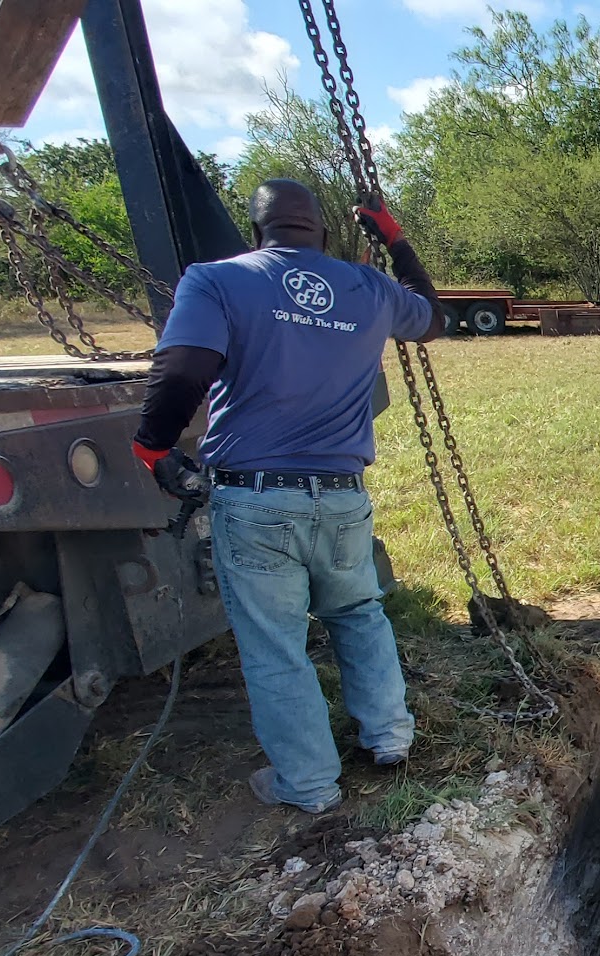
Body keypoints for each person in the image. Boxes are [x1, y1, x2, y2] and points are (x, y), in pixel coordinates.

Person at [132, 179, 441, 814]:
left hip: (257, 499)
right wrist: (395, 240)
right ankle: (389, 736)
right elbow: (434, 319)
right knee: (359, 613)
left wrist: (153, 447)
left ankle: (307, 783)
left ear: (257, 233)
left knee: (276, 646)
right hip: (343, 495)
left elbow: (183, 368)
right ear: (321, 232)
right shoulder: (369, 286)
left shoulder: (217, 280)